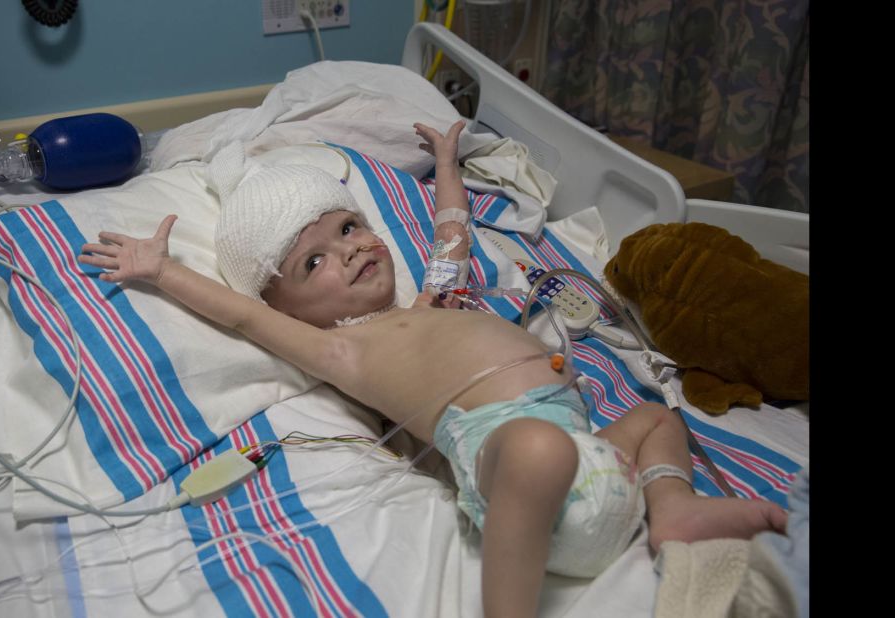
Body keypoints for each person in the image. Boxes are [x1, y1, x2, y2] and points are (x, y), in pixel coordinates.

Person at [79, 121, 787, 617]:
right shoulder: (342, 351)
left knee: (657, 418)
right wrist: (161, 271)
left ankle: (672, 510)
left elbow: (453, 228)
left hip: (599, 461)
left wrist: (447, 162)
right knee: (538, 451)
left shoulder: (433, 295)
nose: (351, 249)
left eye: (349, 227)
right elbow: (239, 317)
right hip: (513, 468)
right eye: (312, 261)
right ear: (288, 307)